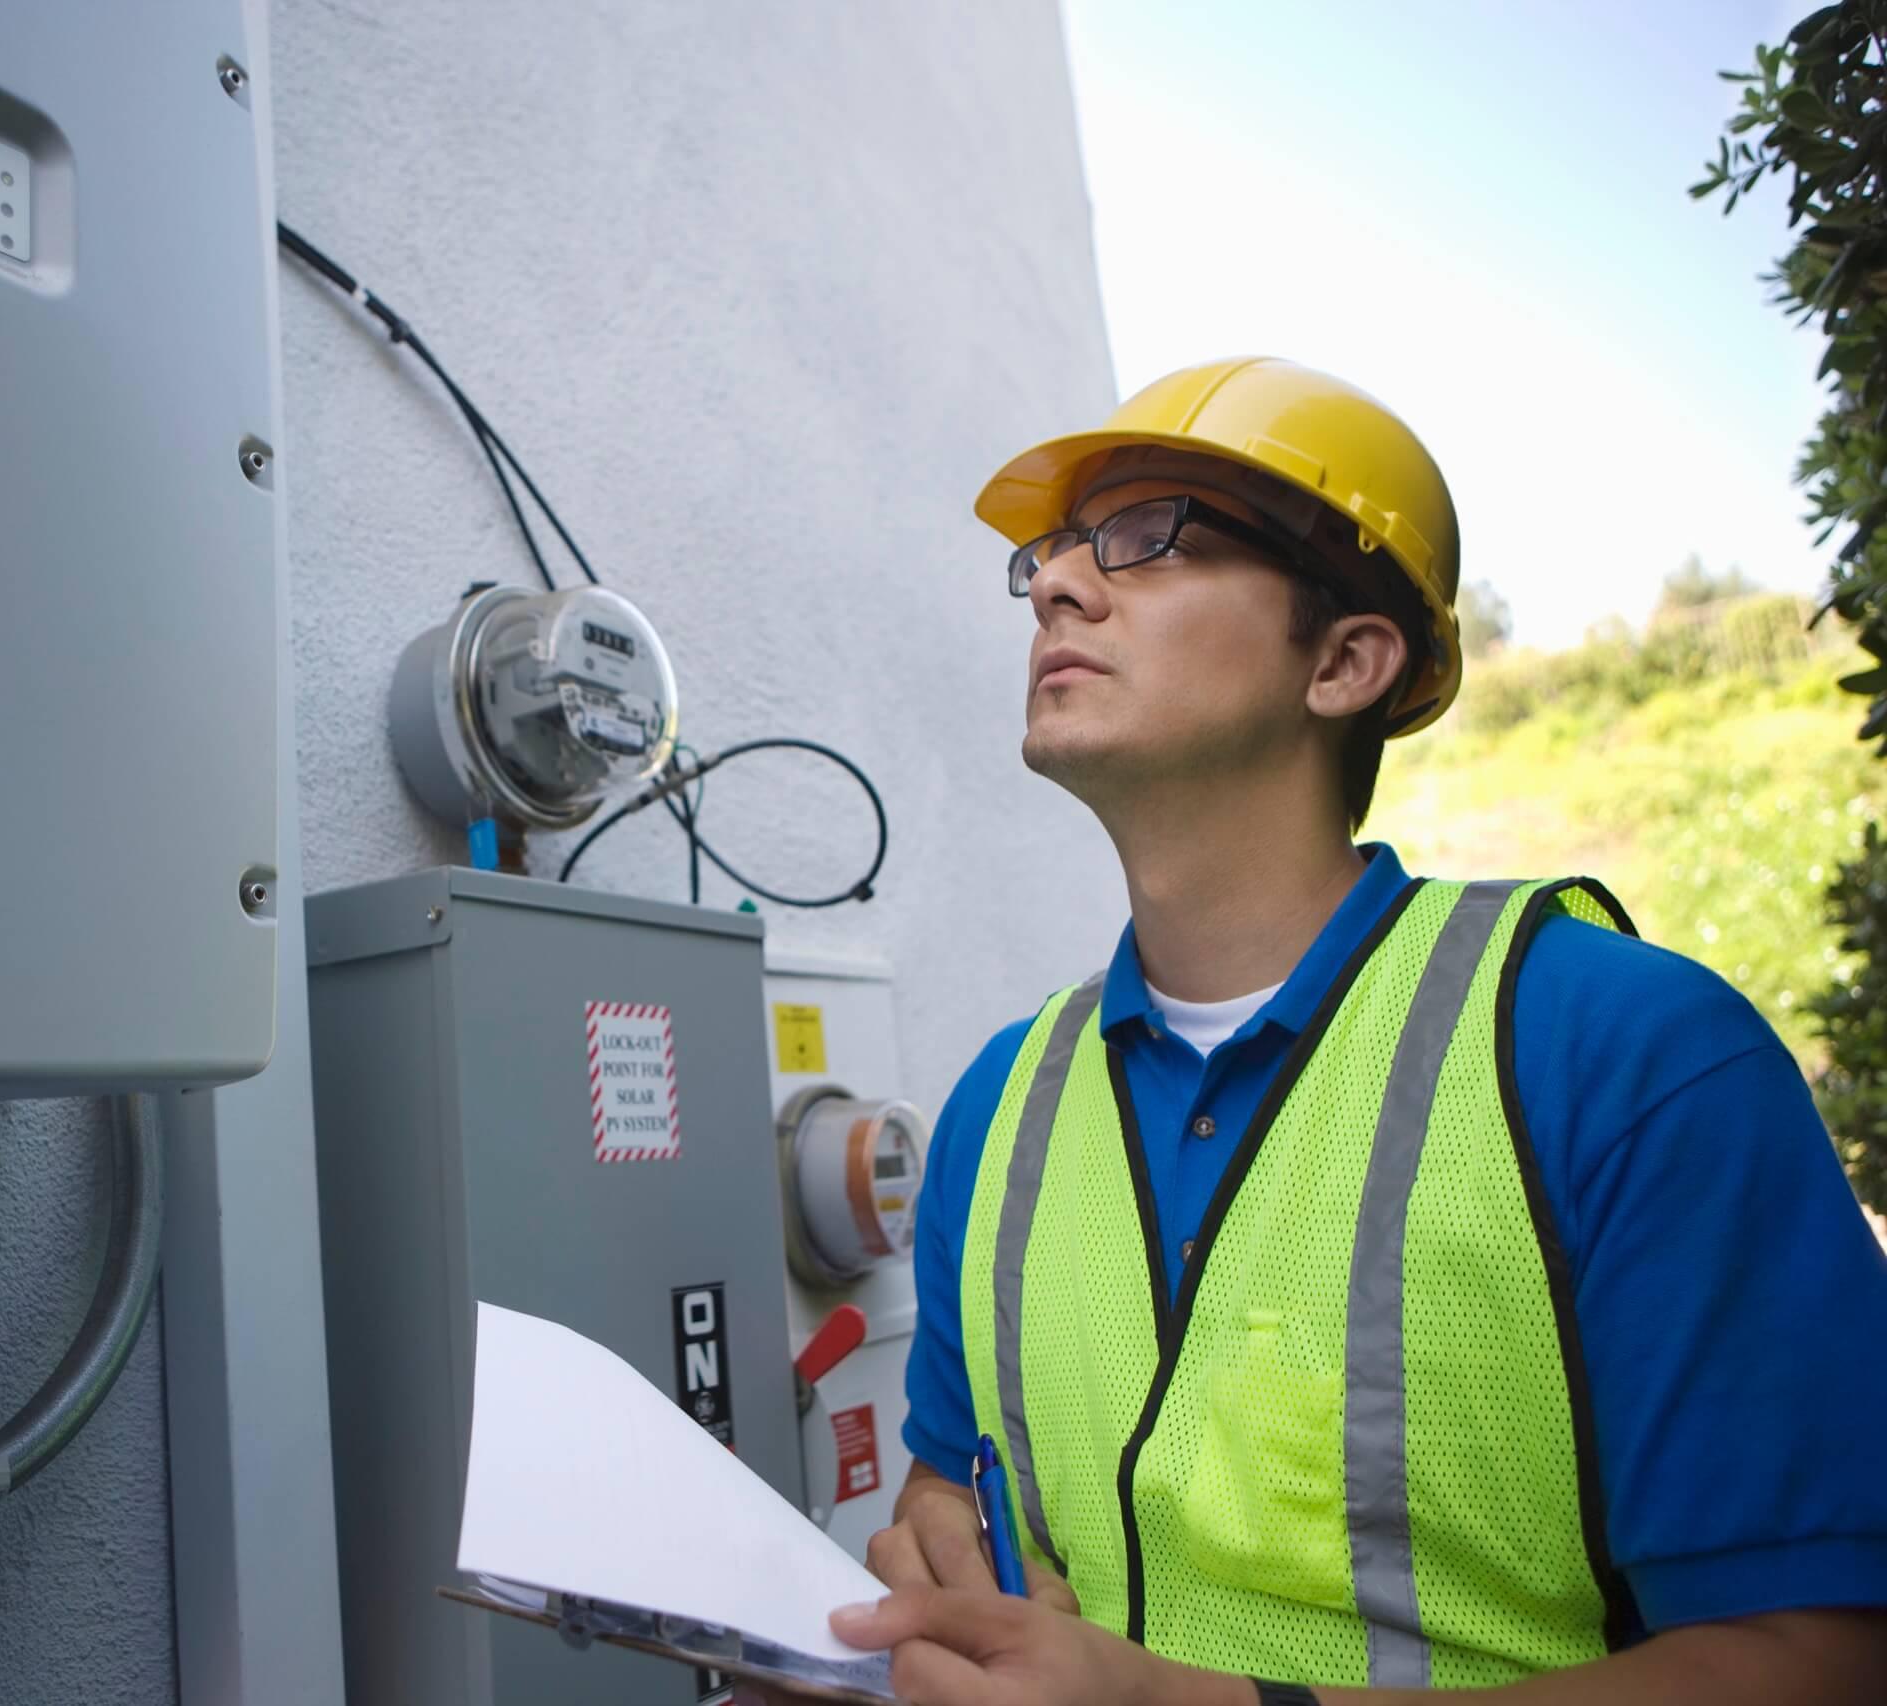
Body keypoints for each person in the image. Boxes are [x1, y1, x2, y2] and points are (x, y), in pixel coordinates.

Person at [748, 357, 1887, 1704]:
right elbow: (953, 1482)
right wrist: (938, 1549)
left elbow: (1817, 1658)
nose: (1056, 581)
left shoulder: (1627, 1052)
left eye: (1148, 538)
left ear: (1347, 660)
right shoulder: (1000, 1105)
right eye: (1052, 553)